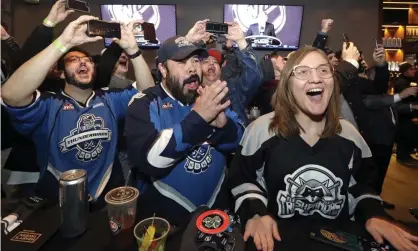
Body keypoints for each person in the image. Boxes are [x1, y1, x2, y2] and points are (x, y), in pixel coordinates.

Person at [228, 46, 418, 251]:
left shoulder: (350, 135)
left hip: (338, 240)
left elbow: (362, 186)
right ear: (287, 84)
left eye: (323, 70)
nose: (316, 78)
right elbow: (244, 181)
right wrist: (255, 212)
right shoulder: (261, 131)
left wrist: (373, 214)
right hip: (277, 241)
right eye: (303, 71)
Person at [1, 16, 152, 207]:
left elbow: (146, 94)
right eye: (74, 60)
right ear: (61, 72)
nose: (83, 63)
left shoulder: (109, 99)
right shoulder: (48, 105)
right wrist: (63, 42)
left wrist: (133, 51)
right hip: (59, 201)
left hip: (108, 197)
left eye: (87, 60)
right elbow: (11, 95)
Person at [125, 36, 244, 226]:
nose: (193, 68)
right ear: (163, 69)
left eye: (196, 60)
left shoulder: (208, 96)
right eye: (181, 62)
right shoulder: (144, 103)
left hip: (216, 211)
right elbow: (151, 161)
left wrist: (224, 128)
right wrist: (199, 119)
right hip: (166, 220)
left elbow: (239, 141)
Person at [187, 20, 262, 124]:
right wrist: (189, 41)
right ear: (197, 69)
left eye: (215, 62)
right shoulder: (188, 92)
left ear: (220, 68)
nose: (211, 64)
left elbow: (253, 76)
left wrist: (241, 41)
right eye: (205, 62)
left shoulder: (233, 89)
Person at [395, 62, 418, 167]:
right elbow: (404, 100)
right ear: (405, 71)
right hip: (405, 114)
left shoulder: (409, 81)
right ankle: (403, 157)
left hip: (408, 113)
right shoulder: (402, 82)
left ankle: (405, 155)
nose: (414, 71)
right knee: (405, 135)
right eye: (411, 69)